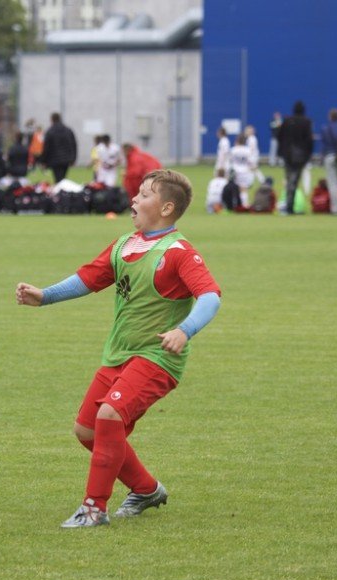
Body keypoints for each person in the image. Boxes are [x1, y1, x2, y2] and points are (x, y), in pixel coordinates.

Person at [15, 169, 222, 527]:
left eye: (145, 194)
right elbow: (87, 279)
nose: (134, 199)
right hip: (118, 355)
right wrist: (45, 296)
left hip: (157, 357)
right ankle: (145, 488)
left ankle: (94, 508)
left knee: (109, 416)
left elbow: (210, 297)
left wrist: (184, 331)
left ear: (167, 208)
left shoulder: (178, 252)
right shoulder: (124, 244)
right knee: (87, 432)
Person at [277, 100, 314, 215]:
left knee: (289, 179)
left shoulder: (287, 121)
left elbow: (280, 137)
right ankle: (290, 206)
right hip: (300, 156)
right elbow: (309, 140)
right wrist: (308, 155)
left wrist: (281, 152)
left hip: (287, 155)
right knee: (295, 179)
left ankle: (289, 205)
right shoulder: (306, 122)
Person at [41, 112, 77, 183]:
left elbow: (46, 147)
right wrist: (73, 158)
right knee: (62, 178)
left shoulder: (50, 131)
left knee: (58, 179)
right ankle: (62, 188)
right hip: (66, 159)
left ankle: (60, 189)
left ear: (52, 119)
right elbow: (73, 145)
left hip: (54, 160)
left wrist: (43, 161)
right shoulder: (68, 130)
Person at [229, 134, 257, 205]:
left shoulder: (233, 149)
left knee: (236, 189)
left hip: (235, 171)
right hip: (245, 171)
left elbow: (230, 161)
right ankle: (244, 204)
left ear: (237, 140)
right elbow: (251, 162)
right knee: (244, 189)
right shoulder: (248, 150)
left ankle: (235, 203)